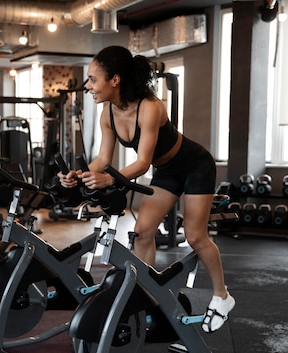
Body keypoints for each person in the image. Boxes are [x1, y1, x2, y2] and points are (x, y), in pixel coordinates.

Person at [57, 45, 235, 333]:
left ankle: (222, 296)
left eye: (92, 79)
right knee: (142, 232)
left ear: (115, 79)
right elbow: (103, 160)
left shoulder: (150, 107)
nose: (87, 86)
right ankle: (147, 294)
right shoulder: (107, 114)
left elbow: (141, 163)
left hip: (196, 167)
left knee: (195, 235)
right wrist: (78, 176)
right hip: (167, 172)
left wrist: (111, 179)